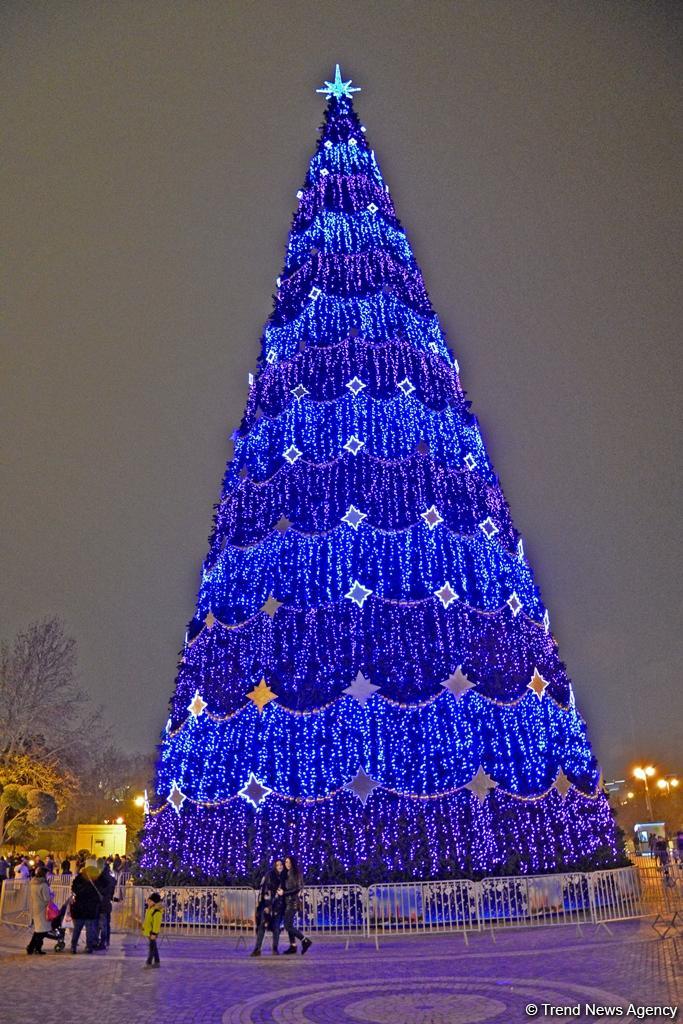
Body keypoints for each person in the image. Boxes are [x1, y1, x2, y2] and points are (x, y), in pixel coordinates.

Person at [250, 857, 286, 957]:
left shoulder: (284, 876)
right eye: (278, 865)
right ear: (274, 866)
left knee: (276, 928)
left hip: (278, 906)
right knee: (262, 926)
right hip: (268, 906)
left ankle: (275, 948)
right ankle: (257, 949)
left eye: (281, 865)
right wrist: (266, 905)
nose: (280, 867)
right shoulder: (270, 875)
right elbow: (265, 891)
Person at [281, 855, 312, 955]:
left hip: (292, 903)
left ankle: (305, 940)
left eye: (289, 862)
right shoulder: (286, 873)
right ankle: (293, 946)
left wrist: (284, 893)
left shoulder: (296, 873)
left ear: (293, 863)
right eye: (286, 862)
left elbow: (297, 888)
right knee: (289, 925)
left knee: (287, 926)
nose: (287, 864)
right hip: (286, 902)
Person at [70, 862, 102, 953]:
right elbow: (98, 894)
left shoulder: (79, 879)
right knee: (89, 930)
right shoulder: (95, 881)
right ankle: (89, 947)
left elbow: (74, 889)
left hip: (79, 908)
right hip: (90, 909)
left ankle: (73, 946)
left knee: (77, 929)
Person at [26, 866, 53, 955]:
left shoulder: (33, 883)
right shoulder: (43, 884)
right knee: (42, 931)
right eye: (48, 874)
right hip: (43, 908)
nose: (48, 876)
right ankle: (35, 948)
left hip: (36, 906)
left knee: (39, 930)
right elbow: (47, 898)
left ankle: (32, 948)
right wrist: (52, 895)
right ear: (44, 874)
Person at [95, 861, 117, 950]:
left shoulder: (100, 879)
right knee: (106, 924)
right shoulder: (111, 880)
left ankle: (101, 942)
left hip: (101, 904)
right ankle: (106, 941)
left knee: (100, 925)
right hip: (107, 903)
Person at [142, 892, 163, 968]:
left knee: (151, 948)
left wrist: (154, 933)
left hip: (152, 932)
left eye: (150, 901)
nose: (148, 902)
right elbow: (147, 920)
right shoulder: (150, 909)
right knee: (154, 947)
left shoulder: (156, 911)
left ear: (154, 902)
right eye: (148, 900)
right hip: (149, 931)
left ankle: (149, 962)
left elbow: (156, 924)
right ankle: (157, 961)